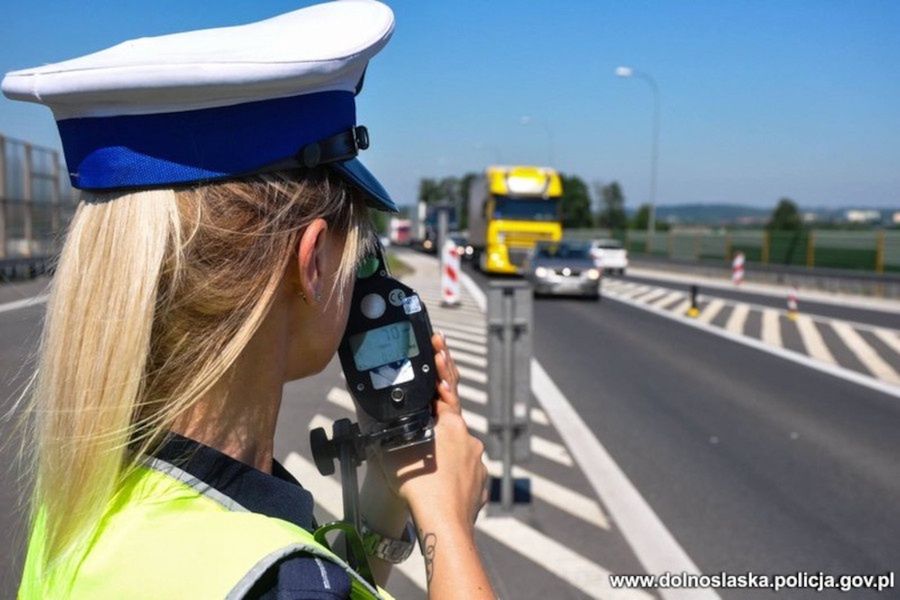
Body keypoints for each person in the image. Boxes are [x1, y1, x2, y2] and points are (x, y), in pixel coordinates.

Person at [2, 2, 494, 598]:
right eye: (360, 253)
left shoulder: (89, 503)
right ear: (311, 264)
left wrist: (387, 500)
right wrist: (447, 522)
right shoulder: (280, 584)